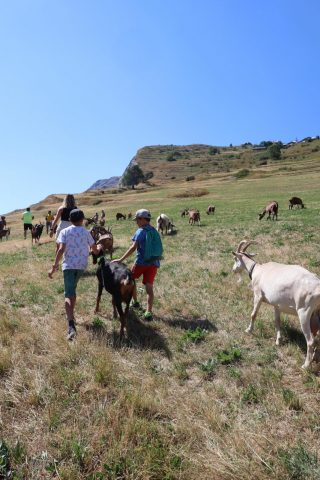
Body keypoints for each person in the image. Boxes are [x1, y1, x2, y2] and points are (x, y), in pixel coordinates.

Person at [48, 209, 102, 340]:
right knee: (73, 291)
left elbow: (61, 249)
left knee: (68, 294)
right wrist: (98, 248)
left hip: (68, 266)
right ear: (82, 219)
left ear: (70, 220)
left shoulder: (64, 231)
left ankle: (71, 325)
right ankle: (71, 315)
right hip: (81, 266)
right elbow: (94, 249)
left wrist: (54, 266)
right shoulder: (86, 232)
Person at [112, 209, 162, 321]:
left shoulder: (140, 231)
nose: (136, 222)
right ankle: (149, 312)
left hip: (141, 262)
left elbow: (133, 247)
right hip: (154, 263)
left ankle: (135, 302)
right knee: (149, 287)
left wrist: (120, 259)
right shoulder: (154, 230)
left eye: (137, 220)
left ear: (142, 219)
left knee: (130, 281)